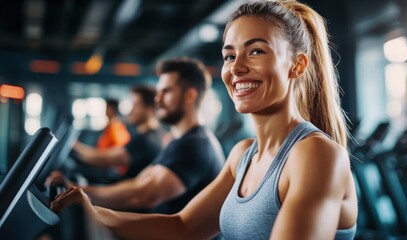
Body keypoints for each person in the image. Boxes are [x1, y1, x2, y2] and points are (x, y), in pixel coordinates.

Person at [50, 1, 358, 239]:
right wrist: (92, 211)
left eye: (256, 52)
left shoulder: (315, 154)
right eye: (229, 55)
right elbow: (183, 228)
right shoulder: (243, 155)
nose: (236, 68)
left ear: (297, 65)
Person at [48, 58, 225, 214]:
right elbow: (139, 182)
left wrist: (80, 191)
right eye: (158, 92)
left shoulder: (195, 144)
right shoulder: (181, 141)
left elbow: (140, 194)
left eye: (167, 91)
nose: (158, 99)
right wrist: (79, 189)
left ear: (190, 96)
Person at [72, 85, 164, 179]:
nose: (131, 110)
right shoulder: (155, 134)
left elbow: (104, 159)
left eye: (135, 105)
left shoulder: (145, 138)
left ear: (149, 108)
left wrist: (73, 144)